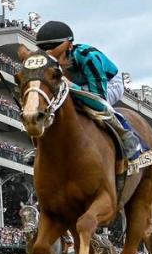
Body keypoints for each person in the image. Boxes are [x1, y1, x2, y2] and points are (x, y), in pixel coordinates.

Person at [35, 20, 141, 160]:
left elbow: (99, 98)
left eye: (54, 48)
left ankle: (125, 135)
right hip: (77, 83)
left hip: (109, 83)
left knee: (91, 105)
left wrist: (71, 86)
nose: (49, 54)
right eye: (44, 49)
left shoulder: (88, 57)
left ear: (69, 46)